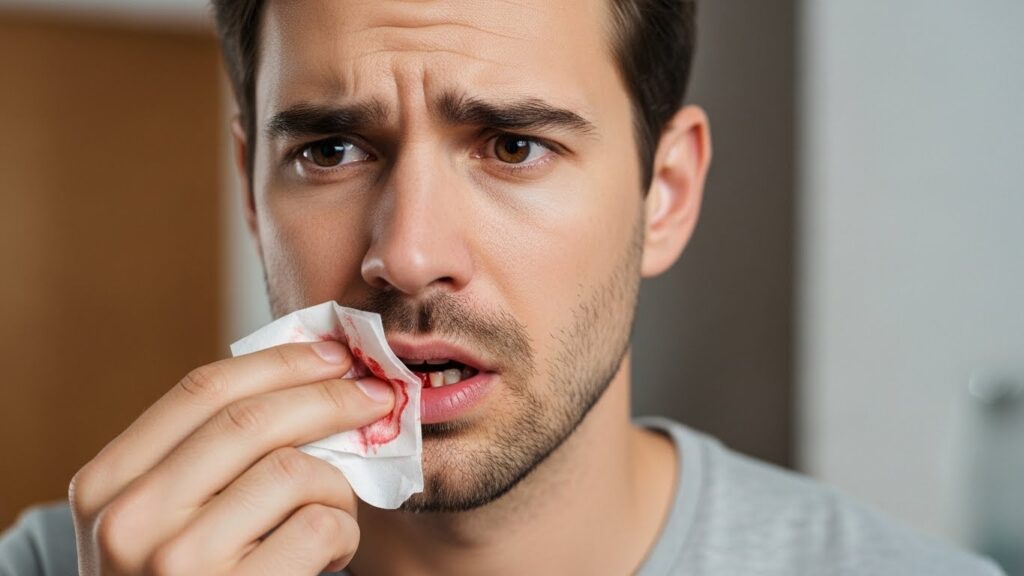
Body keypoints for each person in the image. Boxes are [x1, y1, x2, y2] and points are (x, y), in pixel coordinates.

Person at [0, 1, 1006, 574]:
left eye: (513, 145)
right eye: (332, 149)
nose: (407, 255)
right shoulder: (70, 562)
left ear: (664, 194)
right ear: (251, 195)